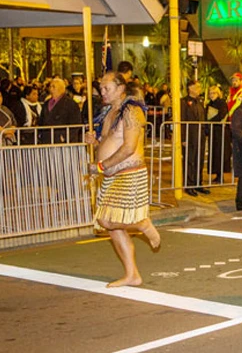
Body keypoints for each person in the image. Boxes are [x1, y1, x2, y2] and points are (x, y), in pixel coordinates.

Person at [84, 72, 160, 287]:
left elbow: (128, 147)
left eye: (106, 88)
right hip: (110, 175)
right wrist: (96, 140)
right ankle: (132, 274)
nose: (102, 92)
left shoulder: (132, 111)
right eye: (101, 88)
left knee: (107, 220)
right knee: (111, 226)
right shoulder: (109, 112)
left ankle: (142, 223)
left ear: (120, 88)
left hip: (129, 172)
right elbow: (109, 141)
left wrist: (101, 165)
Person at [181, 80, 210, 196]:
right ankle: (189, 185)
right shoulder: (184, 102)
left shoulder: (200, 101)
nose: (199, 89)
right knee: (190, 160)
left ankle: (198, 183)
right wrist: (183, 138)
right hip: (190, 135)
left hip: (200, 135)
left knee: (199, 159)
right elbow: (182, 120)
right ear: (190, 88)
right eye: (197, 87)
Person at [38, 78, 82, 144]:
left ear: (61, 89)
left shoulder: (70, 104)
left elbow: (76, 123)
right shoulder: (46, 103)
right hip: (47, 140)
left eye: (53, 87)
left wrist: (65, 137)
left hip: (63, 142)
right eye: (50, 86)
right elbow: (41, 121)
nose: (51, 89)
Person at [206, 85, 231, 184]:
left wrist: (210, 121)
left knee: (220, 153)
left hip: (220, 132)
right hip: (213, 131)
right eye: (210, 93)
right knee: (214, 153)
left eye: (213, 93)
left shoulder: (221, 103)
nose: (212, 95)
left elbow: (222, 115)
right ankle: (216, 174)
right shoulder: (209, 104)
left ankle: (220, 175)